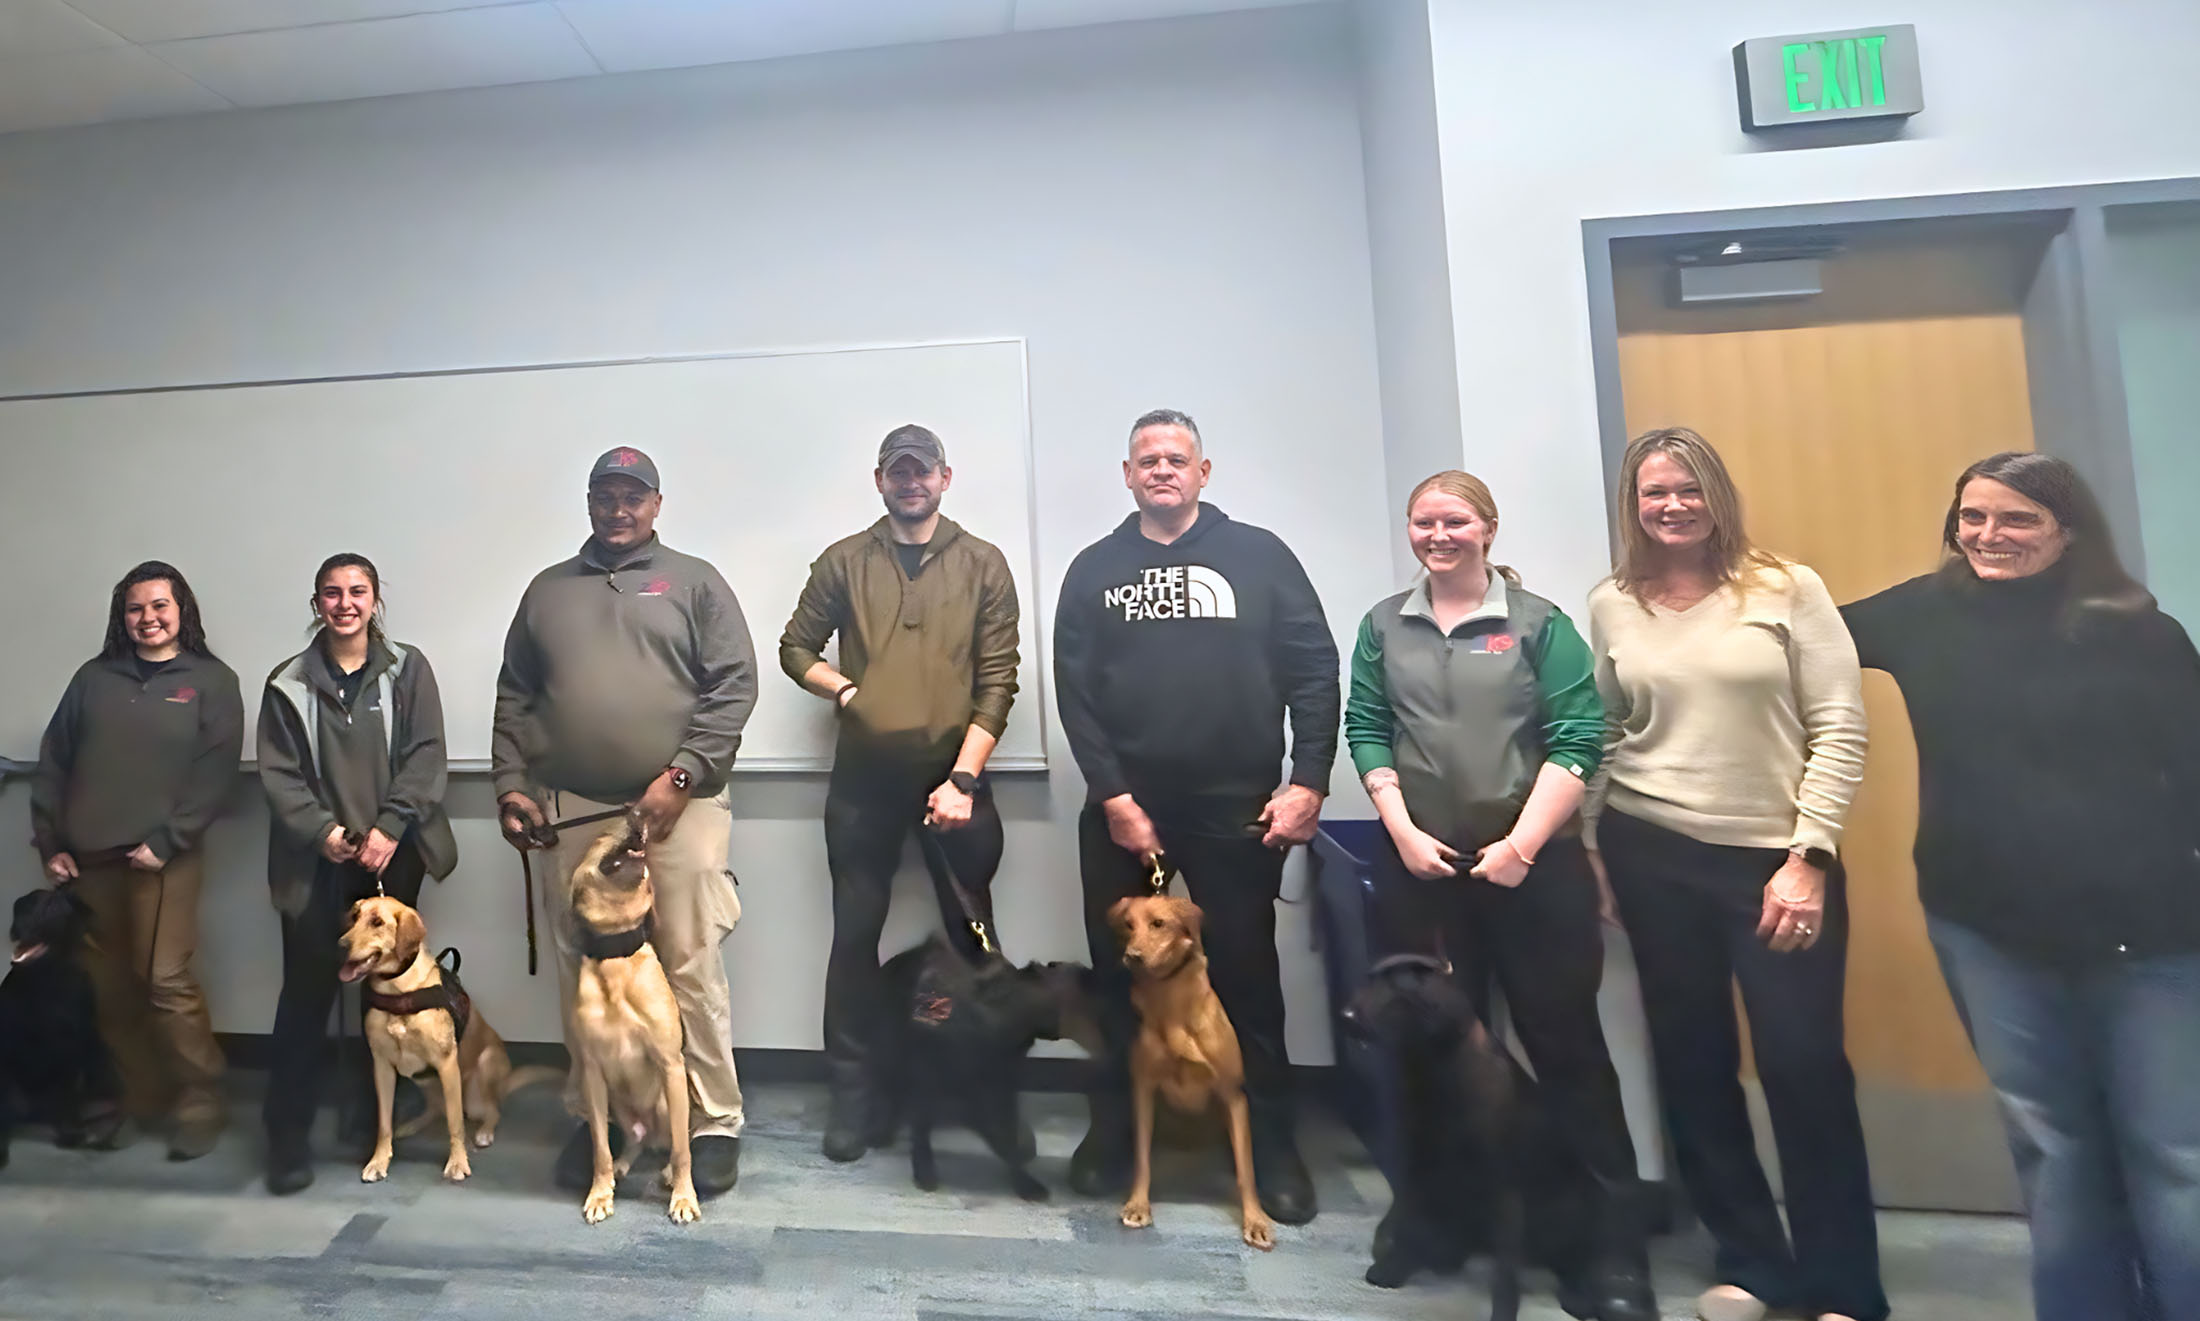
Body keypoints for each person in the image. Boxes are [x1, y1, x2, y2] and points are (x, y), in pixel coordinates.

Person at [1843, 452, 2200, 1321]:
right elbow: (1786, 628)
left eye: (2017, 520)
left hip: (2148, 939)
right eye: (1972, 518)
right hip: (1989, 930)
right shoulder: (1924, 615)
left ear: (2068, 530)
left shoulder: (2140, 632)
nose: (1988, 537)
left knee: (2174, 1151)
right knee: (2054, 1147)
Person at [1583, 428, 1881, 1321]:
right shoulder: (1611, 602)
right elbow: (1601, 733)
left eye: (1686, 489)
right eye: (1651, 493)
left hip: (1773, 862)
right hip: (1650, 851)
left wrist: (1810, 855)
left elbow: (1840, 725)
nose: (1670, 506)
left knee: (1804, 1066)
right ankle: (1753, 1262)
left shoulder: (1786, 588)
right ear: (1632, 505)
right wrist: (1595, 849)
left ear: (1716, 494)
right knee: (1693, 1062)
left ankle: (1842, 1286)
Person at [1345, 470, 1656, 1321]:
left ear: (1486, 528)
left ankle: (1610, 1249)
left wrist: (1522, 845)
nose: (1437, 534)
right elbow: (1367, 725)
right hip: (1424, 866)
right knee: (1423, 1057)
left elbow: (1580, 732)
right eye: (1423, 521)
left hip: (1533, 867)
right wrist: (1402, 830)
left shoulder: (1537, 624)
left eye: (1454, 521)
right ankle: (1431, 1220)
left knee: (1568, 1052)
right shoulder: (1383, 625)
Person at [1052, 407, 1336, 1226]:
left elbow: (1314, 669)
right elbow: (1076, 693)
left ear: (1203, 472)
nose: (1163, 469)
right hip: (1123, 806)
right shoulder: (1095, 568)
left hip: (1235, 803)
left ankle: (1274, 1146)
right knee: (1117, 974)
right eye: (1148, 459)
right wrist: (1113, 796)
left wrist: (1308, 778)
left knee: (1247, 974)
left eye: (1178, 458)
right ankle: (1113, 1131)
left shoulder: (1261, 556)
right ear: (1129, 474)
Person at [492, 446, 757, 1199]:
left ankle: (710, 1121)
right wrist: (512, 785)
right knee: (587, 972)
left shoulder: (696, 580)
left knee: (688, 959)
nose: (618, 509)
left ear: (657, 503)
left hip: (682, 803)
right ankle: (598, 1117)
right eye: (605, 495)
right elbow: (515, 696)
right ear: (588, 501)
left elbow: (734, 685)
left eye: (632, 496)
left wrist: (680, 775)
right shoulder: (547, 591)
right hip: (576, 808)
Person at [779, 424, 1021, 1161]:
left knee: (973, 942)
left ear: (946, 477)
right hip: (864, 780)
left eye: (922, 472)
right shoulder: (844, 560)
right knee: (854, 939)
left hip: (956, 777)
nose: (911, 482)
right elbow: (794, 647)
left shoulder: (984, 563)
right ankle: (854, 1099)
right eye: (898, 472)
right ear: (879, 479)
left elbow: (998, 679)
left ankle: (988, 1093)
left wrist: (963, 780)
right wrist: (844, 686)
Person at [256, 553, 457, 1194]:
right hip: (316, 861)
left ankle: (374, 1122)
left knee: (387, 996)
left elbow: (427, 755)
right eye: (332, 593)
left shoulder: (409, 669)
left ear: (375, 600)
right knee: (308, 996)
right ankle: (286, 1142)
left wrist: (391, 826)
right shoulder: (286, 682)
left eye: (358, 591)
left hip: (392, 855)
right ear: (316, 604)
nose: (345, 603)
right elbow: (280, 776)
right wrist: (327, 834)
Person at [30, 561, 243, 1162]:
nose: (147, 619)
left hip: (163, 860)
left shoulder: (211, 680)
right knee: (109, 986)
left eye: (160, 606)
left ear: (183, 612)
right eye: (135, 608)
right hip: (88, 861)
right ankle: (141, 1098)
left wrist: (169, 841)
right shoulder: (93, 679)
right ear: (121, 617)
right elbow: (54, 762)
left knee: (164, 980)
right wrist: (51, 842)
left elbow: (215, 773)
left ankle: (200, 1100)